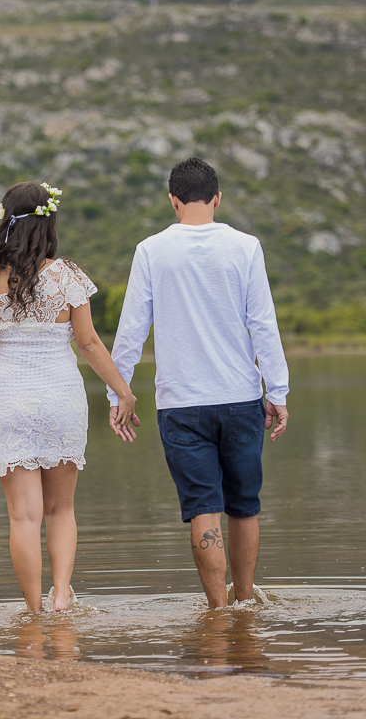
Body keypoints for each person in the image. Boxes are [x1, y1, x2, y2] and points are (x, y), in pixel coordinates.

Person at [107, 157, 289, 609]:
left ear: (173, 201)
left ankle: (218, 612)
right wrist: (278, 392)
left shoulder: (151, 250)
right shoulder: (246, 247)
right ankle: (245, 603)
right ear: (217, 198)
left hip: (181, 405)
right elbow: (263, 324)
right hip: (241, 398)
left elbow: (131, 331)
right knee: (244, 506)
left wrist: (119, 394)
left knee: (203, 509)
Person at [0, 180, 139, 614]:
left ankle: (33, 611)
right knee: (60, 510)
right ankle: (60, 598)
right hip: (60, 397)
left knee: (24, 516)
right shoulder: (68, 276)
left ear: (5, 222)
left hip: (8, 399)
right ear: (48, 223)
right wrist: (123, 391)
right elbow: (89, 343)